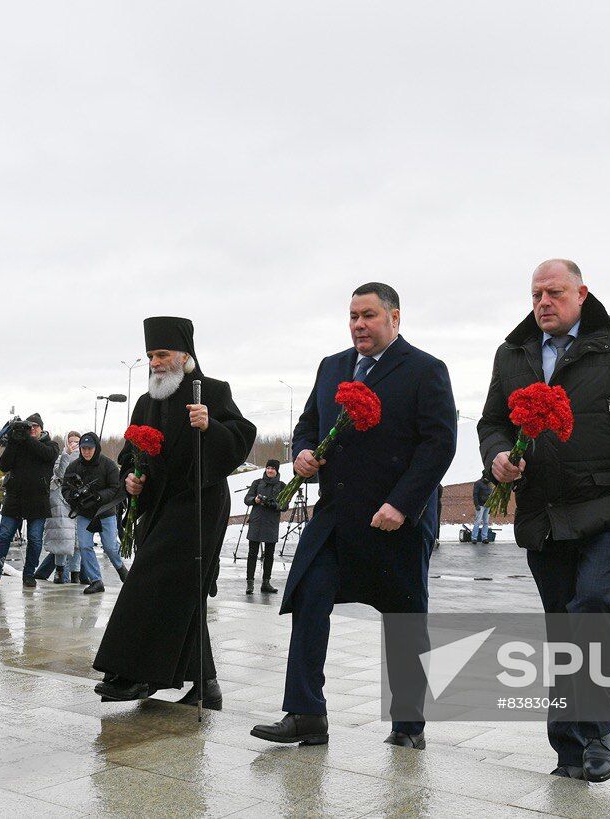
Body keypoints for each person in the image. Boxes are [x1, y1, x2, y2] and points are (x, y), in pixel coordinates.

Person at [473, 259, 610, 782]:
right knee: (563, 626)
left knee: (591, 603)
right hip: (544, 509)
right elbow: (492, 421)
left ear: (582, 294)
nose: (543, 302)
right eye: (535, 294)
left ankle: (598, 733)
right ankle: (569, 748)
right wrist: (498, 456)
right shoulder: (513, 353)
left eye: (555, 292)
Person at [251, 282, 456, 751]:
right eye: (352, 316)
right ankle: (305, 714)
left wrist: (402, 503)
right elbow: (307, 426)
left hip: (394, 521)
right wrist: (301, 454)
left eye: (368, 315)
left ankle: (408, 723)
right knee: (308, 597)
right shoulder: (333, 367)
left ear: (394, 318)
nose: (358, 325)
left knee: (404, 619)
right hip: (336, 518)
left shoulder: (426, 370)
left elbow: (439, 444)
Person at [94, 316, 256, 706]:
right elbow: (131, 453)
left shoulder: (213, 392)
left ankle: (138, 675)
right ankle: (206, 684)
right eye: (150, 355)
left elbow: (241, 438)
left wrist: (210, 426)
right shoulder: (146, 402)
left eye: (162, 354)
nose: (155, 362)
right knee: (186, 590)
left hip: (199, 500)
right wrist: (131, 478)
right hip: (160, 503)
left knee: (151, 580)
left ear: (184, 355)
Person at [0, 414, 58, 587]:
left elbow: (48, 455)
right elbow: (4, 465)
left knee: (35, 539)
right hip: (15, 498)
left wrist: (27, 439)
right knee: (4, 536)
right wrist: (13, 441)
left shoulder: (50, 444)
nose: (33, 429)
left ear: (42, 428)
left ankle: (29, 574)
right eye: (30, 426)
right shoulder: (17, 444)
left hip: (38, 499)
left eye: (36, 426)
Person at [64, 432, 125, 594]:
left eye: (90, 448)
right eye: (83, 448)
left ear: (96, 448)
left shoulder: (108, 465)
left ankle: (122, 570)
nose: (86, 452)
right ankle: (96, 580)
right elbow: (65, 488)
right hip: (84, 513)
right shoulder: (74, 466)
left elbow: (115, 488)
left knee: (110, 547)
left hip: (105, 512)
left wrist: (99, 496)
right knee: (84, 546)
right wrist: (74, 498)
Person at [34, 432, 80, 583]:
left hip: (79, 502)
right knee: (62, 540)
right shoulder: (61, 457)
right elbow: (60, 473)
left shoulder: (85, 459)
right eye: (71, 441)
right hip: (62, 502)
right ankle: (59, 573)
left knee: (77, 542)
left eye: (77, 442)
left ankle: (76, 574)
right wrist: (66, 454)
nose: (74, 444)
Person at [243, 459, 284, 594]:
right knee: (252, 554)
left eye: (272, 468)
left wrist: (274, 505)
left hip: (271, 523)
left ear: (277, 470)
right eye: (268, 468)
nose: (270, 470)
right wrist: (254, 500)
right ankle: (250, 583)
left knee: (269, 555)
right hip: (256, 521)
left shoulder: (282, 486)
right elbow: (247, 499)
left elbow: (285, 505)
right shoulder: (257, 483)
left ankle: (266, 582)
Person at [472, 475, 493, 543]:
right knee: (477, 521)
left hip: (488, 505)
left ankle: (484, 538)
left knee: (486, 522)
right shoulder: (478, 483)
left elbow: (492, 495)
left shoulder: (490, 484)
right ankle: (474, 538)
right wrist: (476, 505)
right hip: (480, 505)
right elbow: (475, 494)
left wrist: (492, 505)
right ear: (484, 477)